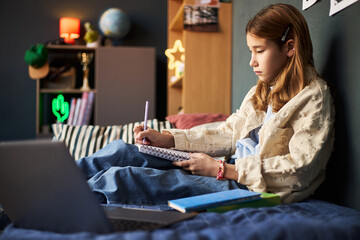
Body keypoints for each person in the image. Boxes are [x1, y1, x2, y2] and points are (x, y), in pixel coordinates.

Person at [77, 3, 334, 206]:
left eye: (259, 50)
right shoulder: (263, 90)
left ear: (290, 47)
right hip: (225, 168)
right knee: (123, 151)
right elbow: (228, 133)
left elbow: (300, 169)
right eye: (250, 51)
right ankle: (56, 180)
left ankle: (61, 201)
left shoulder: (314, 97)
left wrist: (223, 169)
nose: (252, 62)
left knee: (124, 179)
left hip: (252, 187)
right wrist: (168, 139)